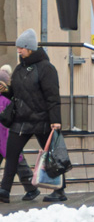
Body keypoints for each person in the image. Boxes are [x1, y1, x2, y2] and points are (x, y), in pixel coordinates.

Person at [1, 30, 60, 202]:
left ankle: (59, 190)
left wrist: (55, 121)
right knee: (11, 155)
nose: (18, 50)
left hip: (42, 121)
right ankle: (4, 191)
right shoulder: (20, 69)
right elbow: (14, 92)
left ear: (29, 48)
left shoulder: (46, 69)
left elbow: (53, 97)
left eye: (21, 48)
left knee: (51, 156)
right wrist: (4, 90)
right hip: (20, 120)